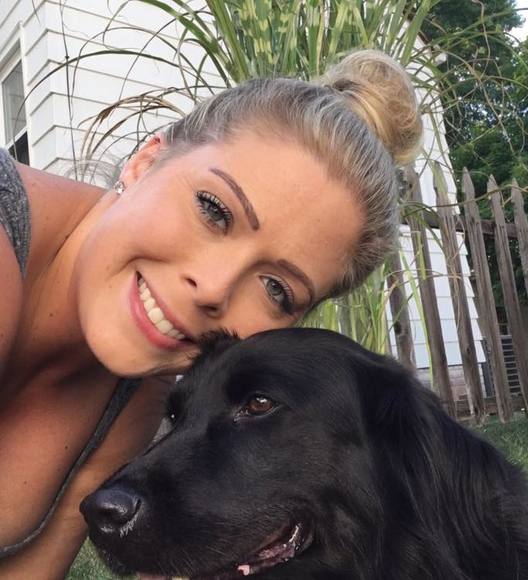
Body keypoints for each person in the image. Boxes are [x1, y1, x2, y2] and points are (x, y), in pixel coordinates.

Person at [0, 49, 422, 578]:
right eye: (214, 209)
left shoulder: (136, 398)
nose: (214, 287)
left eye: (276, 288)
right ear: (146, 160)